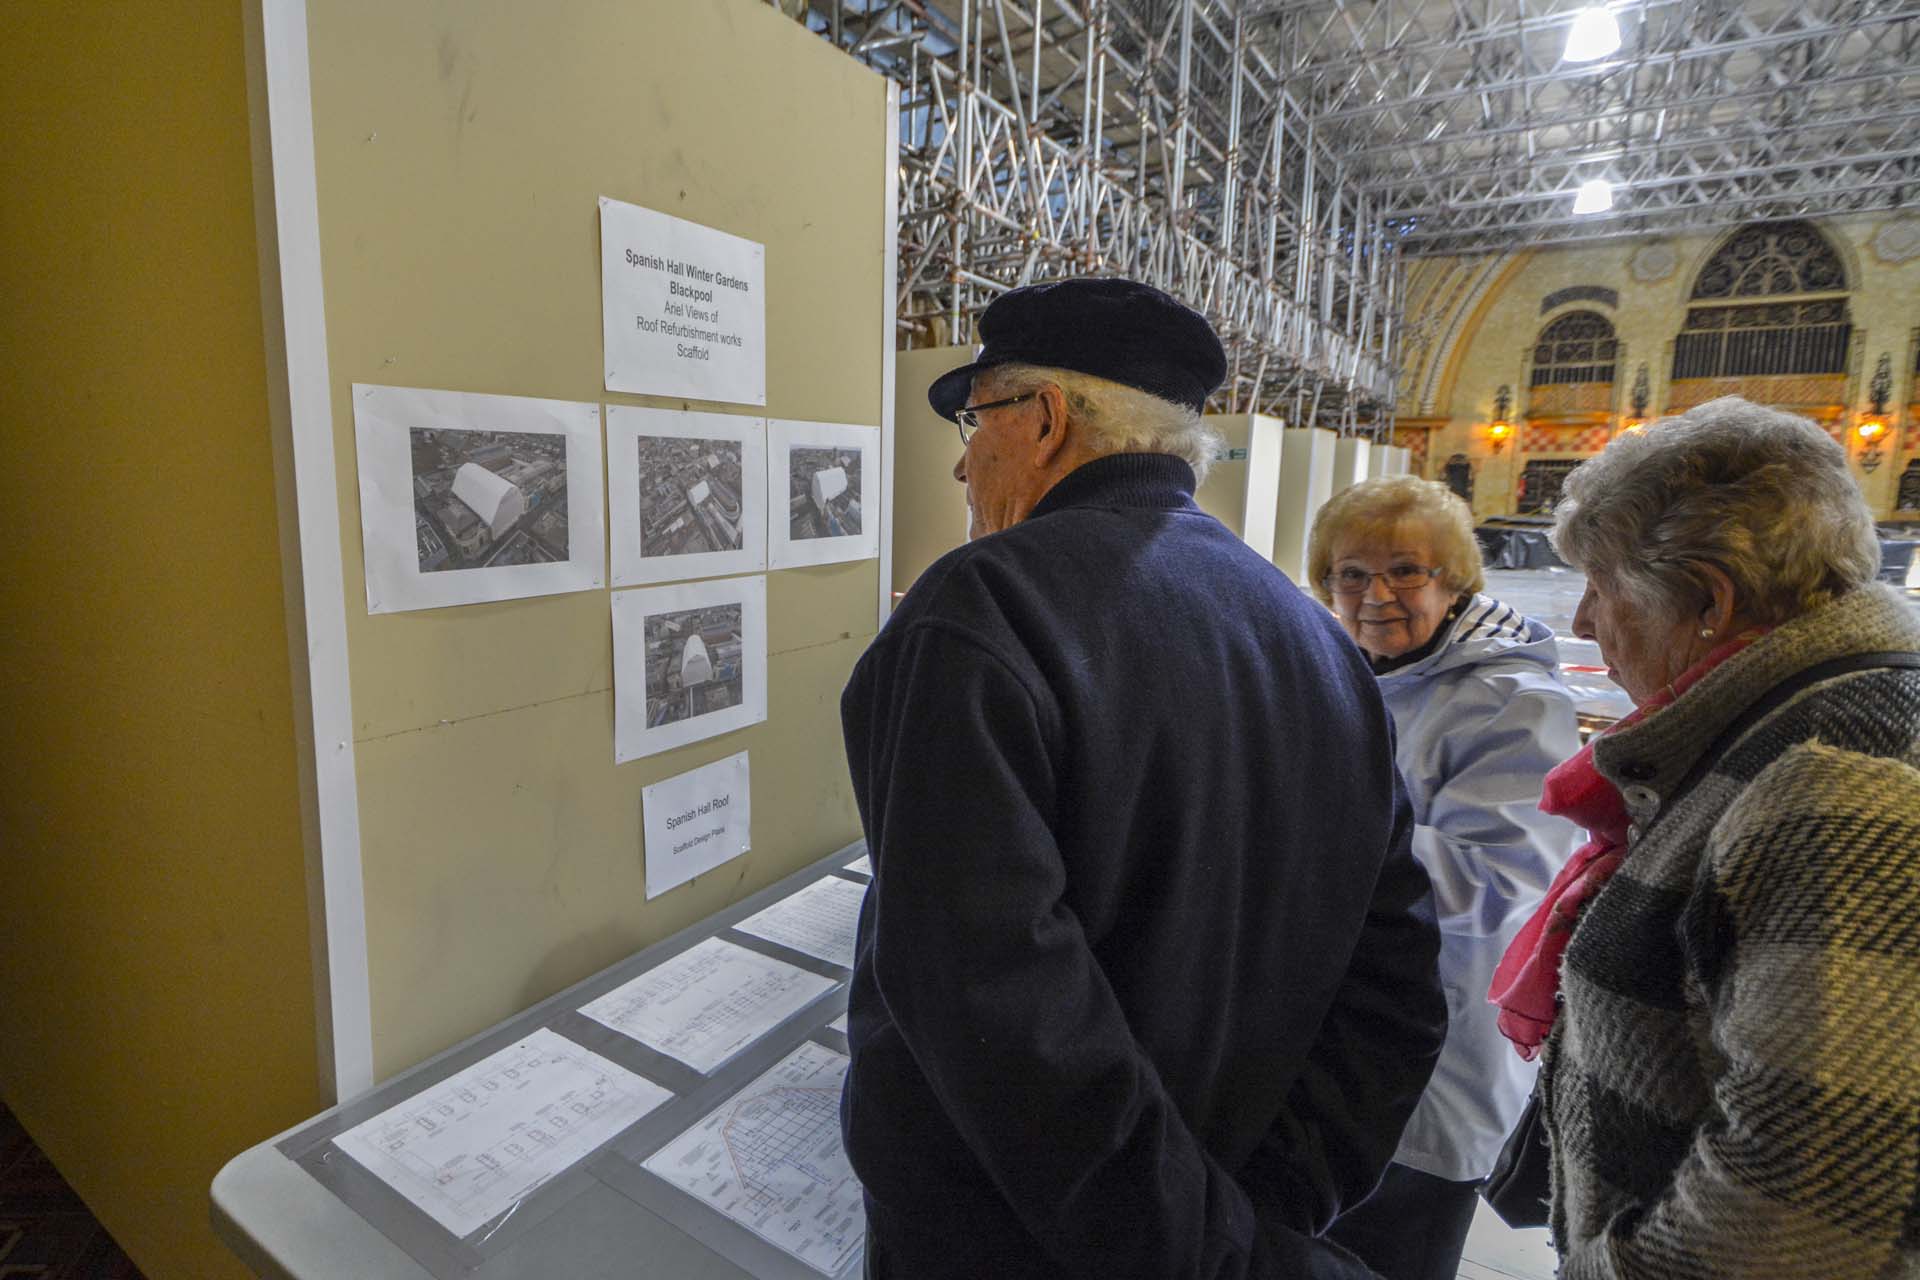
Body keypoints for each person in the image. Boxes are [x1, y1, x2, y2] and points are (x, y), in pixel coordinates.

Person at [838, 277, 1447, 1280]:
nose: (960, 459)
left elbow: (993, 1006)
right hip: (1229, 1202)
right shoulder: (1312, 635)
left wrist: (1196, 1249)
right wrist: (1275, 1204)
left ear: (1044, 419)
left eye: (975, 419)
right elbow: (1398, 977)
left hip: (1019, 1243)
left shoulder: (983, 606)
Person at [1488, 395, 1920, 1278]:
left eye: (1601, 587)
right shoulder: (1797, 721)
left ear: (1710, 602)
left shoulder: (1836, 785)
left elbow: (1798, 1217)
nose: (1581, 621)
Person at [1309, 477, 1581, 1280]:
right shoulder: (1345, 669)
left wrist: (1311, 829)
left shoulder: (1512, 700)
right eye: (1351, 574)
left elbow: (1501, 880)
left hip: (1439, 1053)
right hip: (1335, 1045)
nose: (1375, 596)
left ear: (1455, 579)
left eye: (1405, 571)